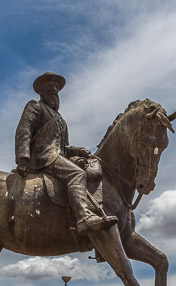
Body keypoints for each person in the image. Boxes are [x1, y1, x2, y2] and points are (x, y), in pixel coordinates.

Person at [14, 72, 117, 233]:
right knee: (78, 174)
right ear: (40, 89)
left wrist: (79, 151)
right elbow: (24, 130)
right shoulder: (35, 106)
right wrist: (23, 158)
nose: (54, 89)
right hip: (43, 157)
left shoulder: (60, 119)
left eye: (56, 86)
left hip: (56, 156)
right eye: (50, 85)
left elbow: (63, 147)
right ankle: (84, 217)